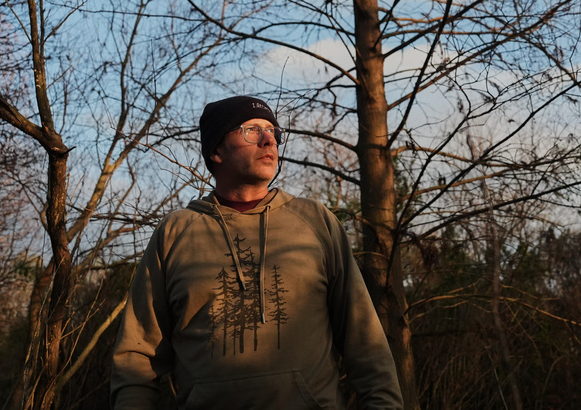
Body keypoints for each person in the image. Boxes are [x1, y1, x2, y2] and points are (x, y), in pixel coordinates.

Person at [111, 95, 403, 409]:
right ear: (216, 150)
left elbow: (365, 340)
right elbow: (137, 357)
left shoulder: (315, 222)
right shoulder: (176, 232)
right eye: (251, 130)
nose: (269, 140)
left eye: (272, 131)